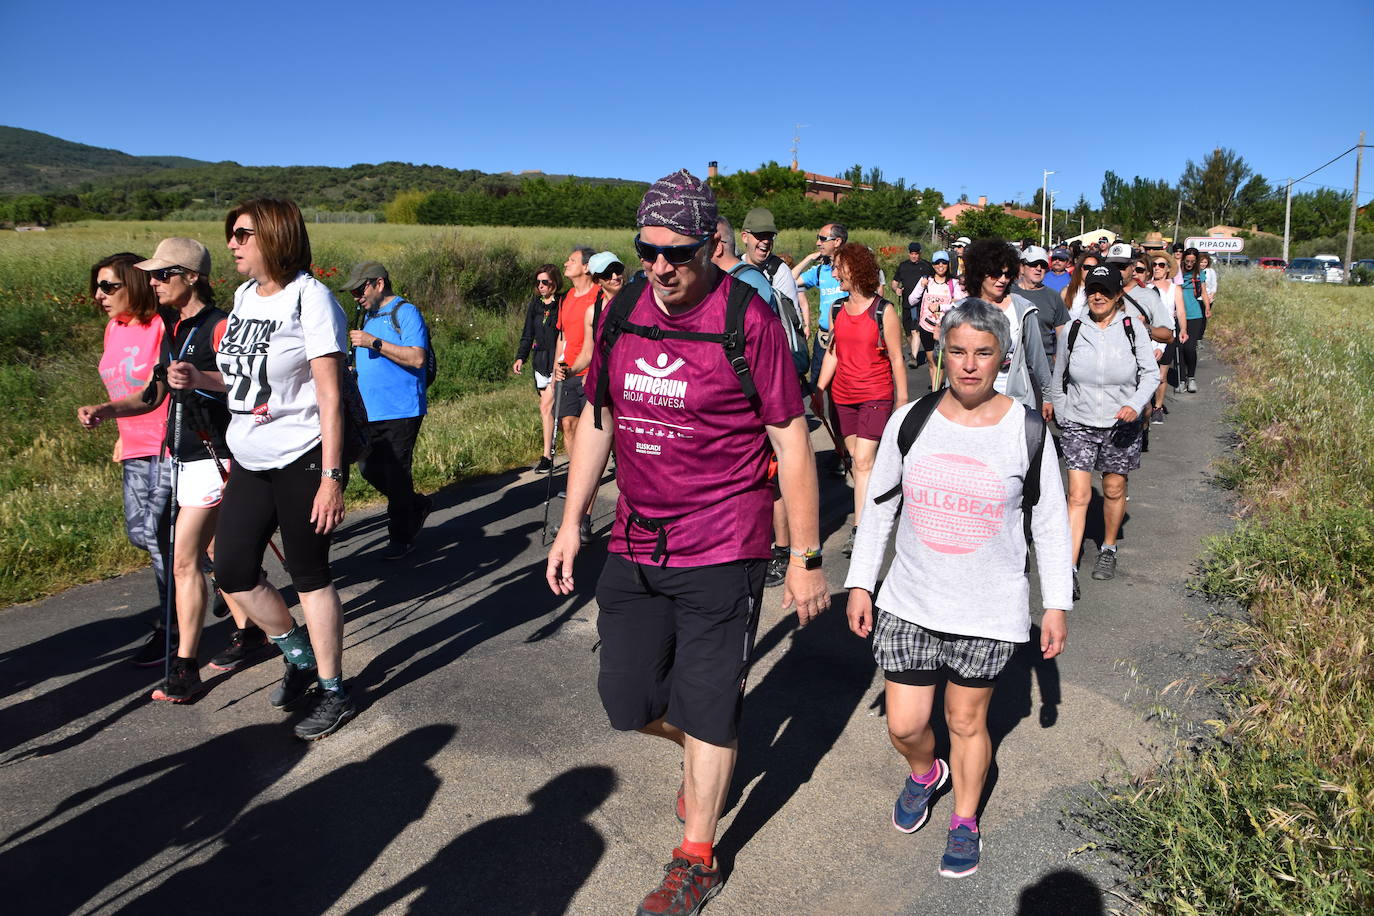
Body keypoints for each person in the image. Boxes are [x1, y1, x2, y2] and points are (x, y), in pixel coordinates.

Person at [546, 170, 828, 916]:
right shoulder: (627, 307)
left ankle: (695, 857)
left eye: (678, 253)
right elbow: (600, 419)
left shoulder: (749, 318)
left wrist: (804, 556)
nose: (661, 267)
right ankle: (708, 750)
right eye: (648, 251)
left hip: (724, 543)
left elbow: (791, 442)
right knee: (627, 701)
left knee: (706, 708)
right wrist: (574, 521)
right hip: (637, 540)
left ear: (710, 244)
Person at [845, 299, 1071, 880]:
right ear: (942, 355)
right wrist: (860, 583)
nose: (969, 365)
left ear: (1003, 358)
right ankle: (926, 773)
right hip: (911, 600)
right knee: (905, 725)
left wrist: (1056, 605)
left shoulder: (1026, 429)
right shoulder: (911, 420)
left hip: (988, 608)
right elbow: (879, 510)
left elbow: (1048, 520)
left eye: (983, 353)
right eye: (958, 351)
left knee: (967, 722)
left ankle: (965, 819)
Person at [82, 239, 268, 699]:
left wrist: (201, 379)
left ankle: (185, 667)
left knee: (185, 559)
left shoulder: (221, 324)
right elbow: (153, 393)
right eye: (151, 274)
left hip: (217, 453)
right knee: (220, 558)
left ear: (192, 276)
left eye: (163, 274)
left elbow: (249, 385)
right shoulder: (169, 326)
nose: (153, 282)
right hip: (180, 452)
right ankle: (260, 630)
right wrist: (108, 409)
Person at [214, 198, 356, 741]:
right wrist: (198, 380)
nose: (233, 244)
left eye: (243, 234)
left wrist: (332, 477)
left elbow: (329, 395)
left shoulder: (311, 298)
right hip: (249, 458)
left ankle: (333, 689)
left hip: (302, 457)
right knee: (231, 570)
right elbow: (245, 381)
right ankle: (296, 655)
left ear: (273, 237)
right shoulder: (244, 296)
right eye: (232, 234)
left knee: (310, 575)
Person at [76, 253, 173, 666]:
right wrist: (117, 428)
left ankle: (173, 629)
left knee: (156, 537)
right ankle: (223, 577)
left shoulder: (161, 325)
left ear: (135, 283)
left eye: (109, 286)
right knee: (141, 534)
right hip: (134, 445)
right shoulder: (113, 329)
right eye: (97, 287)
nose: (100, 295)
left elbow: (162, 388)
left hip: (169, 445)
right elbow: (122, 386)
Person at [1050, 266, 1158, 594]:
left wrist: (1135, 405)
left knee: (1112, 488)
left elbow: (1151, 374)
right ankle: (1068, 568)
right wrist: (1066, 415)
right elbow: (1059, 378)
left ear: (1118, 294)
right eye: (1093, 289)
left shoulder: (1131, 328)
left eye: (1105, 290)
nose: (1098, 296)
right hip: (1080, 423)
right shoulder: (1073, 329)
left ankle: (1108, 548)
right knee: (1078, 496)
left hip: (1121, 424)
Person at [817, 243, 908, 558]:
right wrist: (818, 390)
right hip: (844, 396)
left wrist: (902, 403)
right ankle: (879, 496)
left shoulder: (885, 310)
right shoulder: (838, 309)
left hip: (875, 395)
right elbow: (834, 353)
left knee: (863, 461)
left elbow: (897, 359)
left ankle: (861, 529)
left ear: (854, 269)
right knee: (857, 460)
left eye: (837, 267)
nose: (833, 273)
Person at [343, 261, 433, 560]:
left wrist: (374, 342)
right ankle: (414, 505)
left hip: (402, 409)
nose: (356, 296)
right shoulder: (368, 315)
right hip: (370, 411)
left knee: (396, 474)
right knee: (367, 467)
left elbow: (417, 358)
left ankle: (401, 538)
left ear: (378, 283)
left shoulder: (406, 313)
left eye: (360, 289)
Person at [959, 239, 1053, 419]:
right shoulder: (960, 310)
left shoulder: (1023, 309)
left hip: (1015, 399)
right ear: (979, 273)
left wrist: (1048, 397)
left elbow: (1037, 357)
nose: (1002, 280)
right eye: (995, 274)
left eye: (1007, 274)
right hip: (970, 400)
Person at [553, 246, 600, 545]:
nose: (566, 264)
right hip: (568, 373)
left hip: (591, 375)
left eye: (571, 260)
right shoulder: (567, 298)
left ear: (585, 267)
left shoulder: (598, 295)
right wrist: (553, 375)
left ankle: (584, 517)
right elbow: (564, 337)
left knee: (591, 445)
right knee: (569, 427)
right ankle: (577, 481)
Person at [513, 264, 562, 472]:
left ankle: (546, 456)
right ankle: (549, 453)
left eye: (545, 282)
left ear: (555, 283)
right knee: (547, 410)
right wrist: (520, 357)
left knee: (546, 408)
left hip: (557, 359)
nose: (541, 286)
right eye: (538, 282)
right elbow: (527, 334)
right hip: (539, 361)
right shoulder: (535, 305)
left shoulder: (562, 303)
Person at [793, 222, 848, 385]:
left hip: (846, 337)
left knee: (841, 388)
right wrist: (809, 258)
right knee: (818, 386)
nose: (818, 243)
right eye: (818, 238)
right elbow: (790, 279)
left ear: (837, 242)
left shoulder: (852, 268)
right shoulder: (820, 270)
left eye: (823, 239)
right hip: (823, 339)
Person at [908, 251, 965, 392]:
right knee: (932, 363)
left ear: (948, 264)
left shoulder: (954, 284)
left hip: (946, 329)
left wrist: (941, 307)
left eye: (944, 262)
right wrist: (921, 286)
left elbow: (960, 304)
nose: (941, 265)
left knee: (942, 364)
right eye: (938, 262)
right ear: (933, 265)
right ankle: (936, 392)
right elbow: (911, 300)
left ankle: (936, 393)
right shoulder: (926, 281)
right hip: (927, 327)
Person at [1145, 252, 1188, 423]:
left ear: (1168, 269)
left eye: (1161, 265)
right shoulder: (1145, 288)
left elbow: (1181, 311)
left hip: (1168, 333)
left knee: (1162, 375)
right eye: (1154, 265)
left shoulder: (1174, 289)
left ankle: (1158, 407)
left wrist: (1183, 329)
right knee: (1146, 372)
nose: (1157, 268)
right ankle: (1145, 404)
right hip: (1148, 334)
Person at [1014, 246, 1072, 370]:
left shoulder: (1053, 297)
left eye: (1042, 265)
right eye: (1033, 264)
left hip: (1044, 365)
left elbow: (1062, 335)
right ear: (1021, 267)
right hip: (1012, 365)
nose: (1039, 268)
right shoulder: (1008, 293)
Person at [892, 242, 934, 367]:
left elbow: (934, 281)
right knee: (908, 331)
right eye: (912, 253)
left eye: (916, 254)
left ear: (920, 253)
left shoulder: (926, 266)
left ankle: (914, 358)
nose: (914, 256)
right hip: (906, 303)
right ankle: (913, 351)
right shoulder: (903, 266)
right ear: (909, 253)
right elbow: (894, 282)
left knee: (915, 330)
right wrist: (896, 289)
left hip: (920, 304)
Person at [1176, 247, 1211, 393]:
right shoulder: (1177, 273)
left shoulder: (1199, 273)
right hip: (1178, 314)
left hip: (1195, 314)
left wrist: (1207, 307)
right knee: (1180, 348)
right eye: (1187, 260)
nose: (1189, 264)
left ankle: (1191, 377)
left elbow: (1203, 291)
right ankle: (1181, 380)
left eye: (1192, 261)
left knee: (1190, 348)